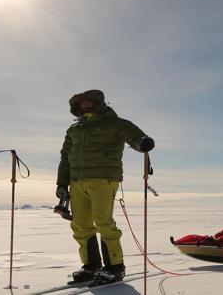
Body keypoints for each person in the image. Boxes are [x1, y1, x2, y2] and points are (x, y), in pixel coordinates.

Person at [56, 89, 155, 285]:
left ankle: (115, 267)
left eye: (88, 101)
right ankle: (91, 266)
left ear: (98, 102)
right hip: (77, 182)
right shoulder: (74, 130)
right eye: (81, 102)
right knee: (80, 225)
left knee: (103, 222)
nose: (84, 104)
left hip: (104, 179)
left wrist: (141, 142)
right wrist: (61, 183)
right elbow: (65, 157)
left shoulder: (115, 123)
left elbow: (133, 135)